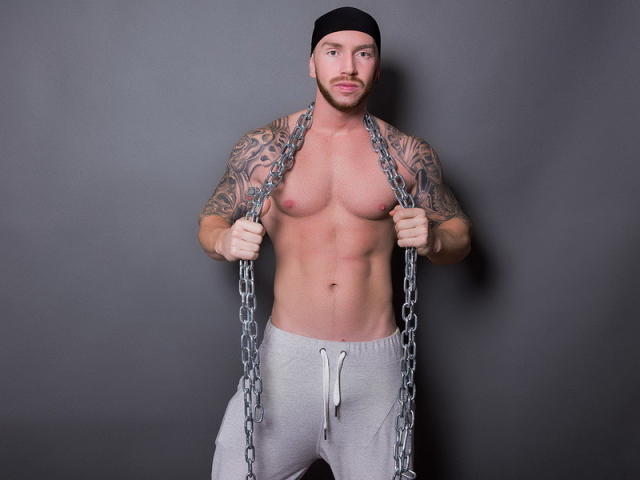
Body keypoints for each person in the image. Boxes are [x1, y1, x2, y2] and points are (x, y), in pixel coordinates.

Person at [197, 6, 472, 479]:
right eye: (333, 52)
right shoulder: (264, 147)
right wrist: (225, 240)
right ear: (312, 63)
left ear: (377, 68)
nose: (348, 67)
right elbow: (211, 220)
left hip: (374, 371)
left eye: (363, 53)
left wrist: (433, 241)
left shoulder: (407, 154)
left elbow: (460, 236)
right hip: (285, 365)